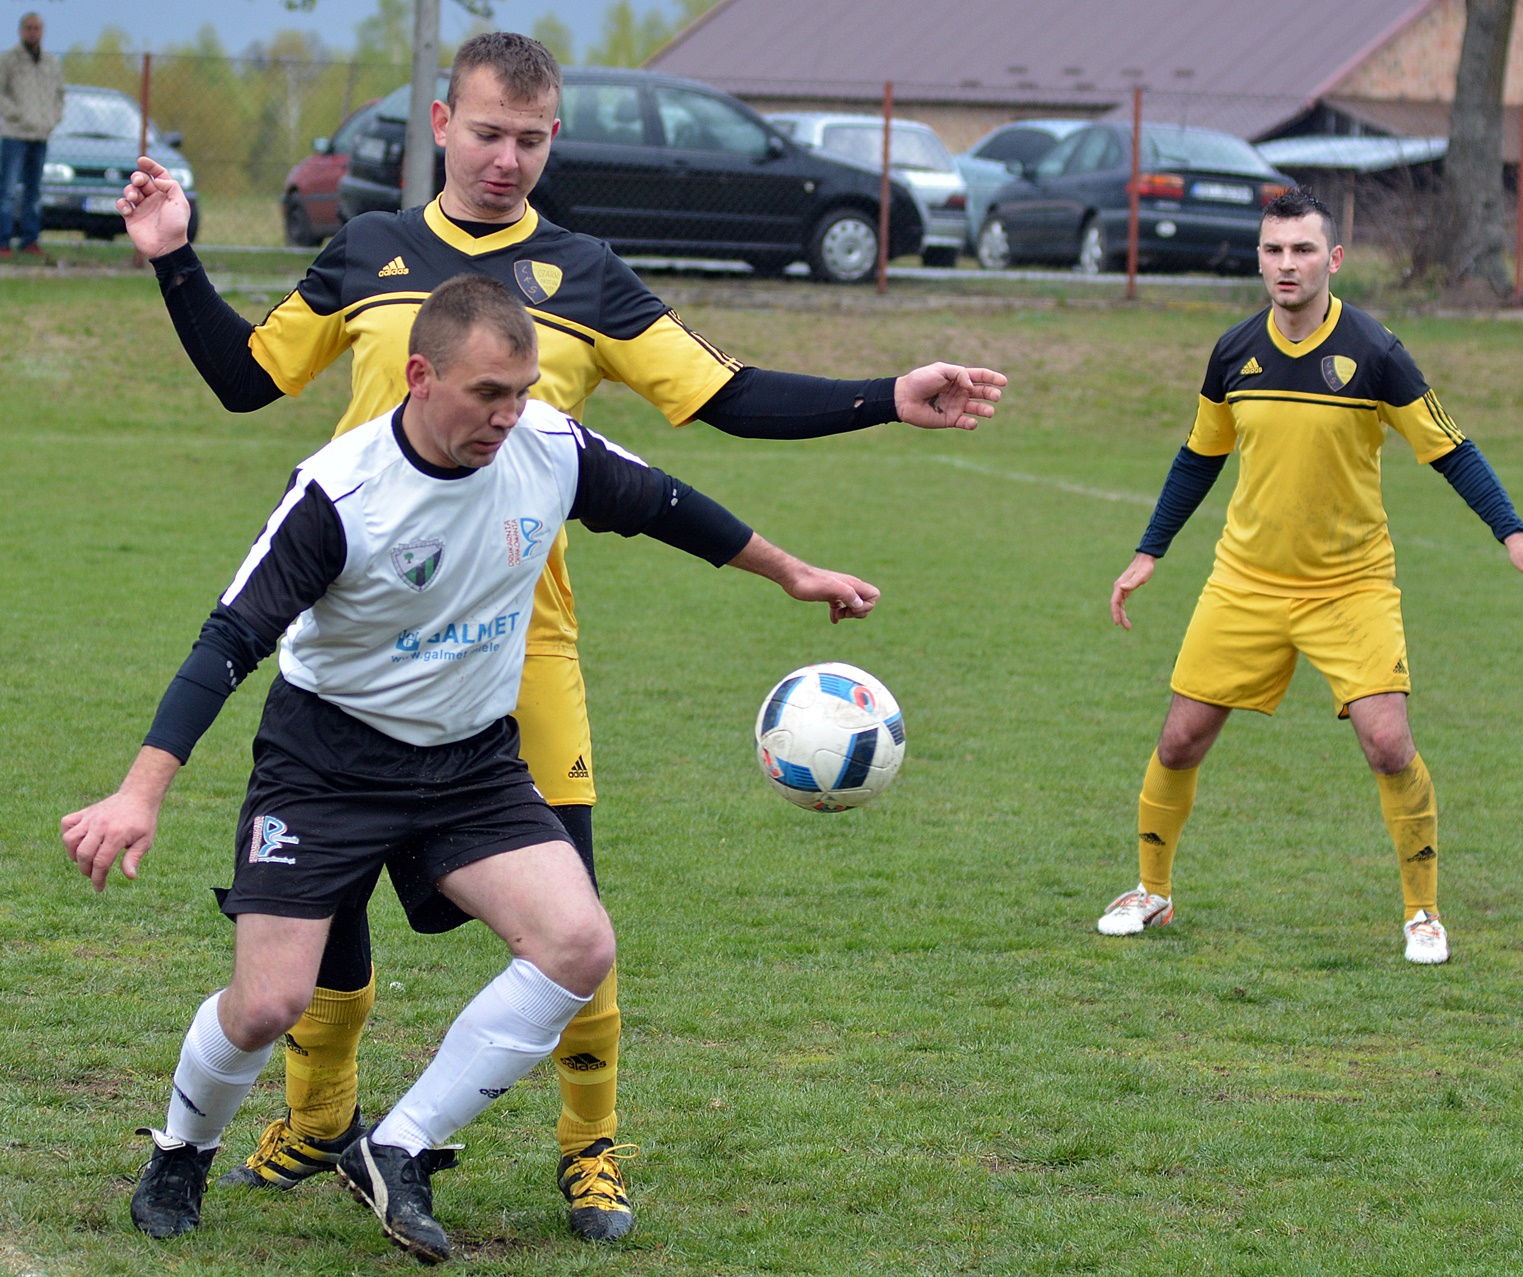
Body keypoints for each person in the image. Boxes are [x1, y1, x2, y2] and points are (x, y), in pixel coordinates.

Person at [114, 32, 1004, 1241]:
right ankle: (313, 1120)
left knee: (575, 924)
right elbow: (244, 378)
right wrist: (174, 265)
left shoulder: (584, 277)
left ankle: (585, 1149)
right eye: (488, 133)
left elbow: (720, 399)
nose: (508, 160)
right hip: (358, 642)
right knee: (311, 952)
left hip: (515, 656)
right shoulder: (369, 253)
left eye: (532, 140)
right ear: (442, 123)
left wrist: (882, 396)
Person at [62, 274, 879, 1262]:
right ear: (419, 376)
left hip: (470, 765)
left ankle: (398, 1144)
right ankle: (183, 1148)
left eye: (523, 388)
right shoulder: (340, 491)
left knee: (577, 944)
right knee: (270, 1001)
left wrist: (791, 571)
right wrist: (140, 790)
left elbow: (666, 502)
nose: (509, 413)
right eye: (489, 391)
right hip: (325, 763)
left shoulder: (548, 448)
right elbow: (230, 637)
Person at [1096, 187, 1523, 964]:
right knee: (1181, 738)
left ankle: (1422, 912)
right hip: (1245, 582)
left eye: (1302, 250)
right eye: (1273, 250)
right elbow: (1200, 455)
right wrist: (1151, 549)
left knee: (1387, 744)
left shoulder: (1376, 351)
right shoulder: (1233, 351)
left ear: (1334, 258)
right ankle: (1152, 891)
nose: (1286, 265)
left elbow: (1449, 446)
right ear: (1260, 257)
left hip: (1351, 585)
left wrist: (1513, 532)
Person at [0, 11, 64, 260]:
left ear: (42, 31)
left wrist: (52, 118)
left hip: (40, 135)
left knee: (33, 191)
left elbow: (59, 95)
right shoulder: (8, 60)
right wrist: (16, 114)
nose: (32, 32)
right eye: (28, 27)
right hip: (14, 134)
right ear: (20, 31)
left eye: (37, 28)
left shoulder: (50, 62)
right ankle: (3, 241)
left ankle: (30, 240)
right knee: (7, 190)